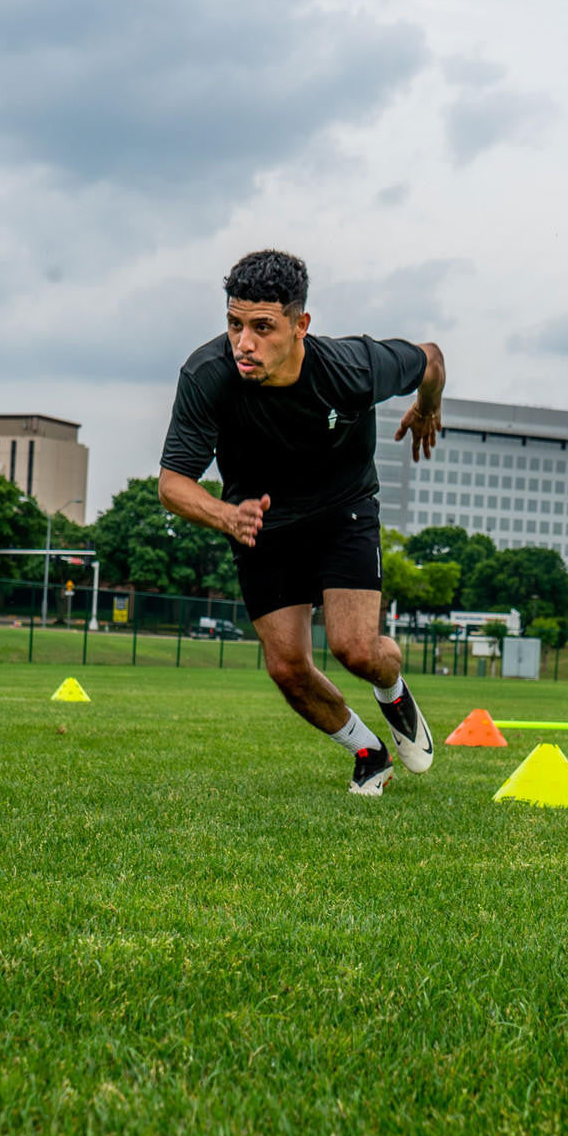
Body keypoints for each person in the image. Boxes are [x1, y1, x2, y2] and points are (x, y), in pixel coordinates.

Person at [158, 249, 446, 796]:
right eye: (235, 324)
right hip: (260, 524)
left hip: (345, 511)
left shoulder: (352, 367)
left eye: (263, 327)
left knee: (357, 651)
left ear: (300, 325)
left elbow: (430, 358)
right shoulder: (207, 375)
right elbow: (172, 484)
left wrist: (428, 405)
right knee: (287, 669)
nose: (244, 342)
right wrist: (226, 515)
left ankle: (393, 690)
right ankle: (367, 750)